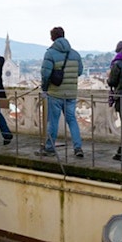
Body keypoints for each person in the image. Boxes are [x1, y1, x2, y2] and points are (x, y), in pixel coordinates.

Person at [36, 26, 84, 158]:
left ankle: (50, 147)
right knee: (72, 120)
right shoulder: (75, 54)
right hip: (71, 93)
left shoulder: (50, 53)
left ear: (52, 38)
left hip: (55, 93)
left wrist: (45, 89)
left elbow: (45, 74)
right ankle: (78, 147)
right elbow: (79, 72)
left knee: (53, 121)